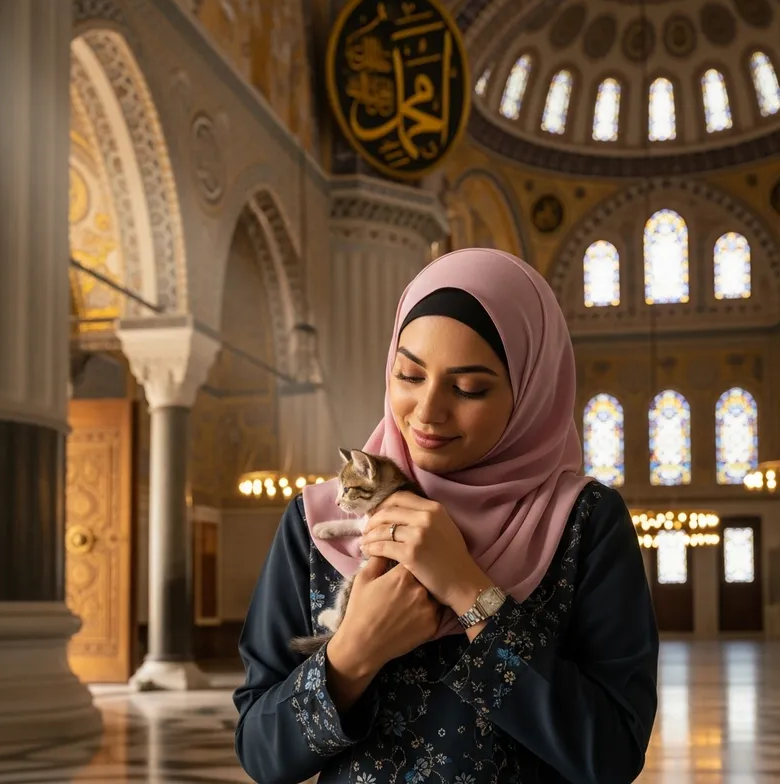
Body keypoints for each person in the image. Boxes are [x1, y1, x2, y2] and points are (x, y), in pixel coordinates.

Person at [234, 248, 659, 784]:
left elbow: (611, 754)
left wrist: (468, 592)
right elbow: (260, 752)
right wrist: (352, 654)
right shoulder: (314, 524)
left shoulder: (583, 523)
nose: (427, 413)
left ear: (531, 391)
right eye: (409, 375)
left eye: (469, 388)